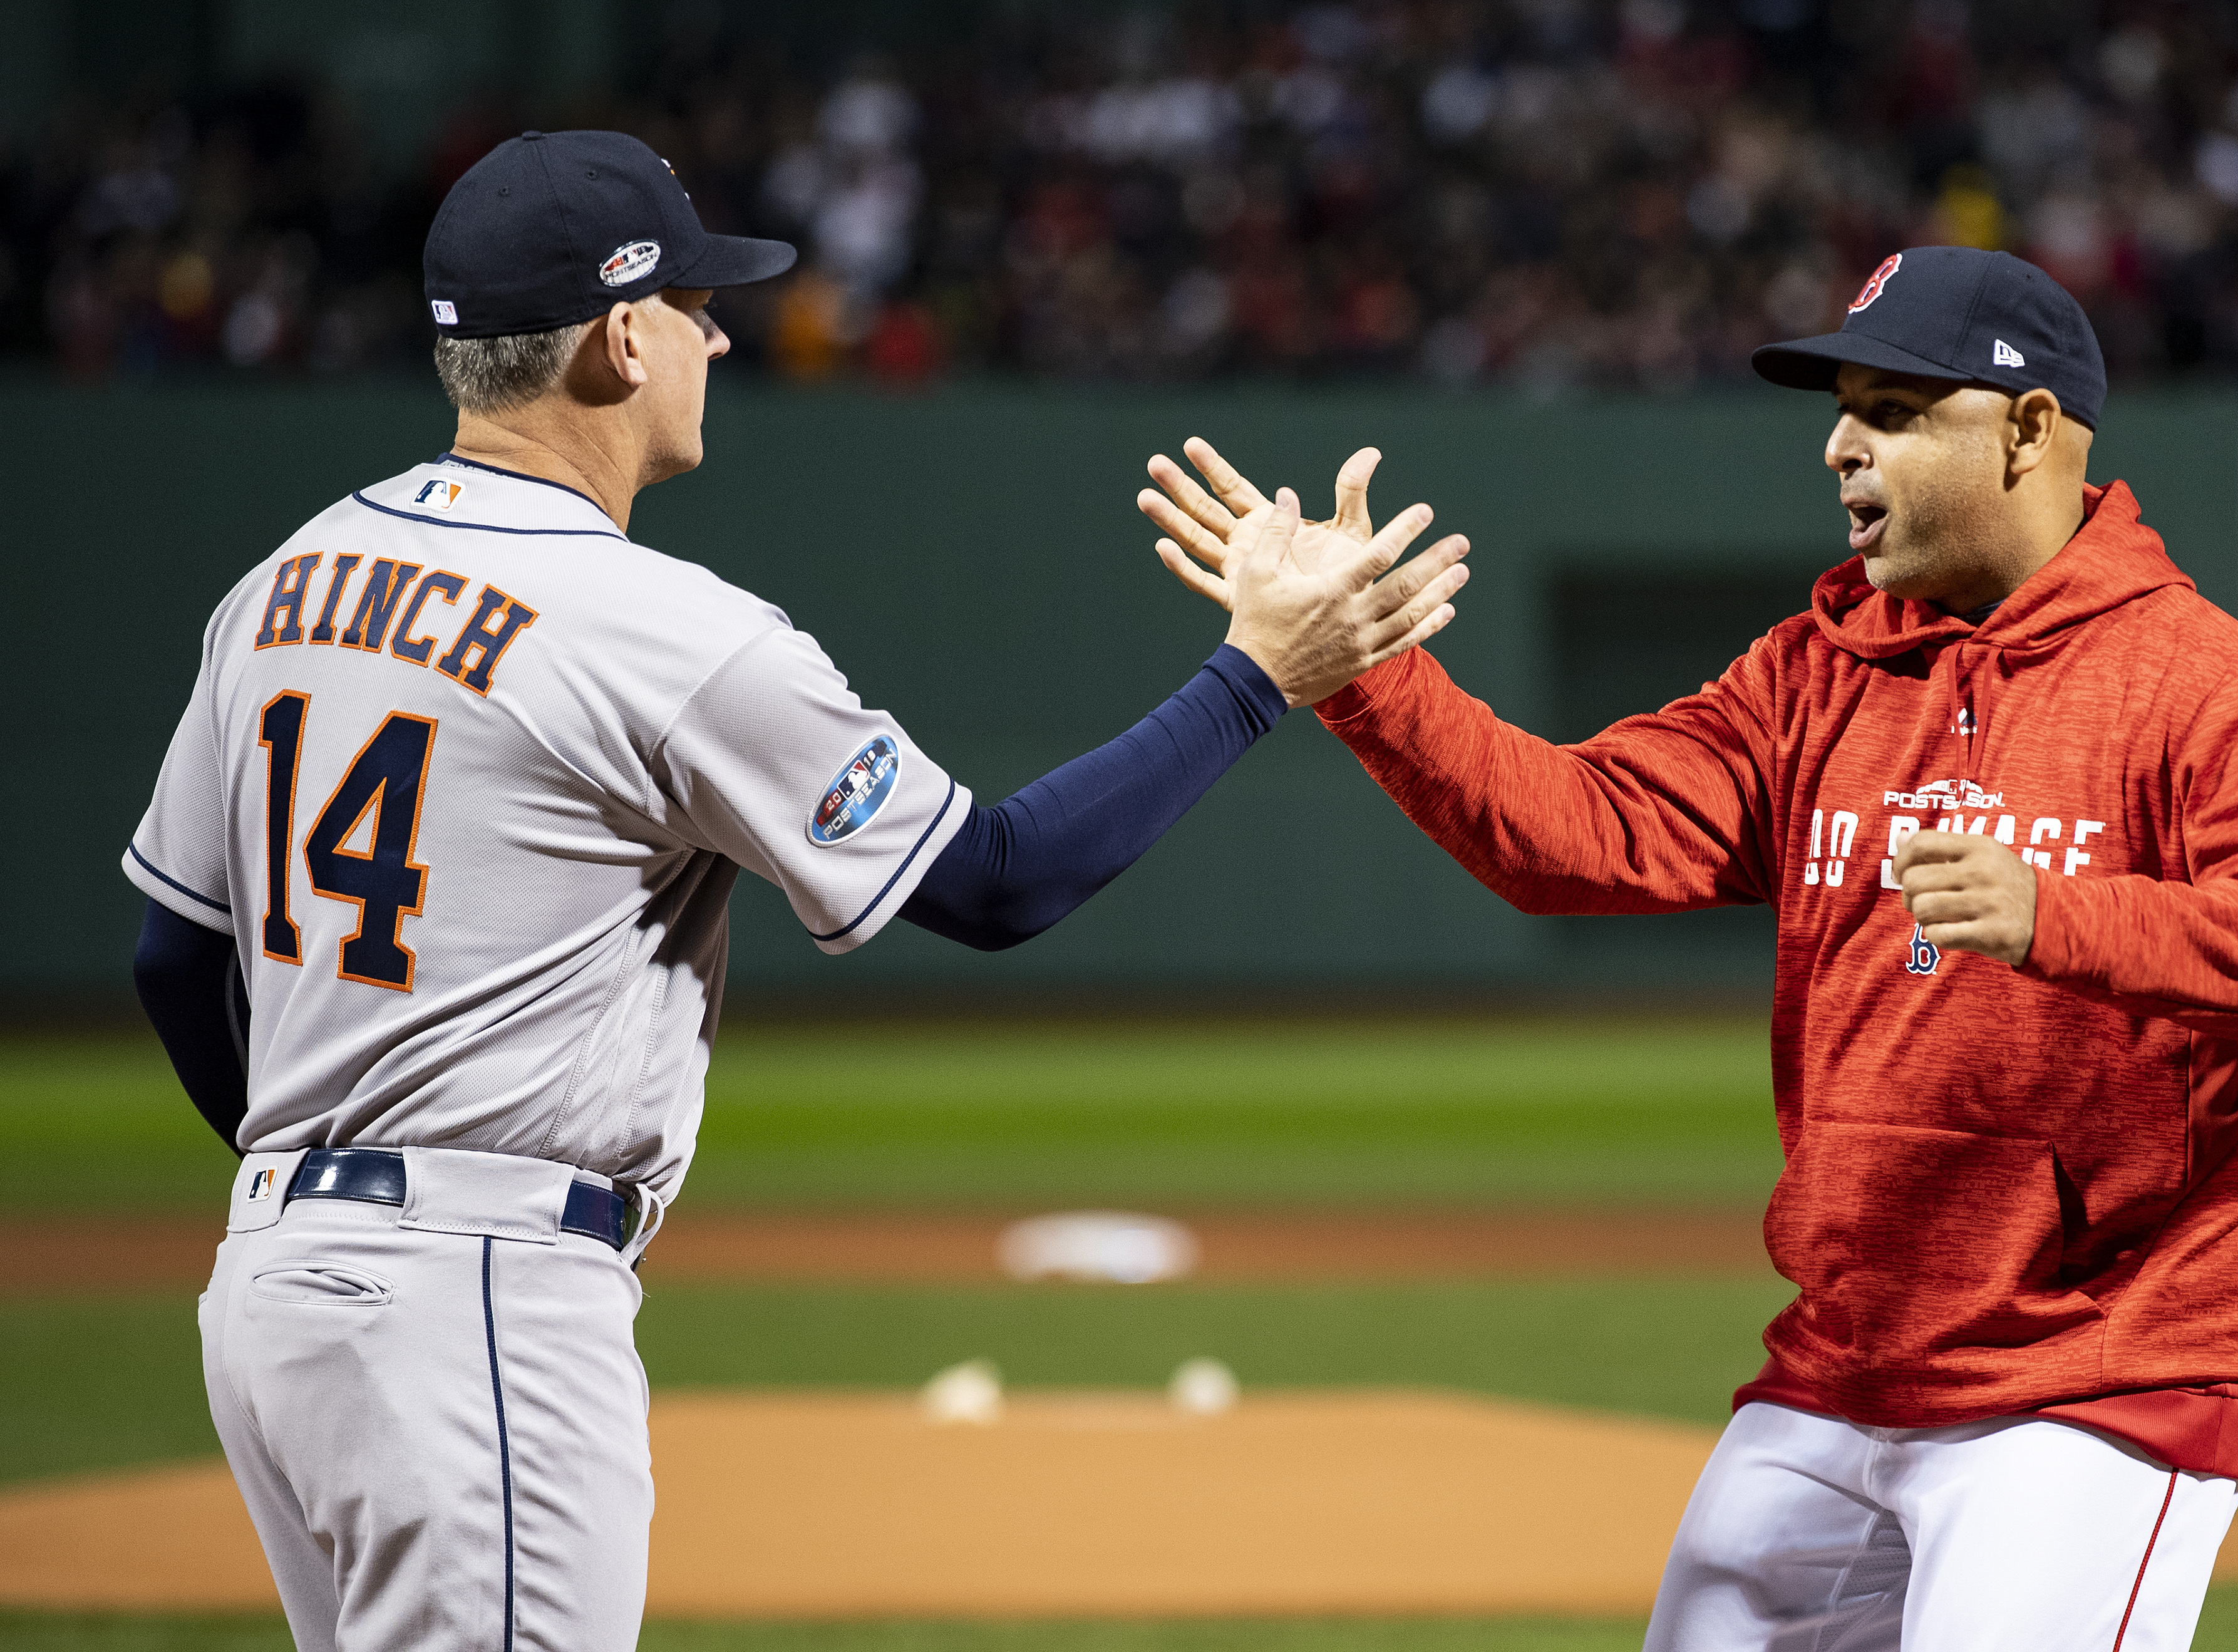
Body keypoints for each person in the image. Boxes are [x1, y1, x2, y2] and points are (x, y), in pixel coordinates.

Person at [122, 129, 1468, 1652]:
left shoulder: (283, 585)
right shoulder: (659, 628)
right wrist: (1256, 678)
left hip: (271, 1299)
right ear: (621, 338)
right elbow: (997, 882)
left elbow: (179, 958)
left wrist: (315, 1180)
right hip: (474, 1307)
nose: (719, 332)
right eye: (696, 303)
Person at [1138, 245, 2238, 1651]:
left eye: (1889, 410)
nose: (1837, 446)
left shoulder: (2207, 688)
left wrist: (2059, 917)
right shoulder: (1812, 674)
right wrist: (1362, 674)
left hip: (2098, 1382)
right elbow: (1571, 832)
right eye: (1841, 409)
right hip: (1840, 1367)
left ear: (2026, 430)